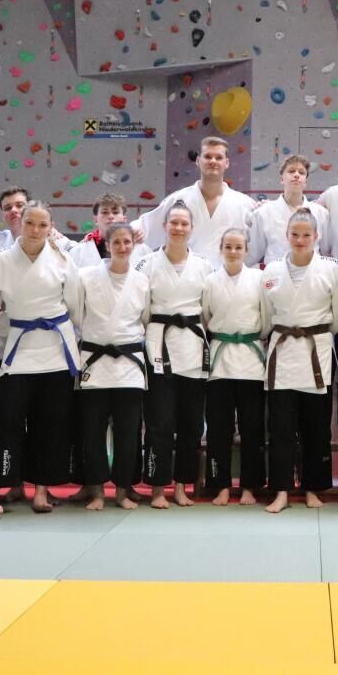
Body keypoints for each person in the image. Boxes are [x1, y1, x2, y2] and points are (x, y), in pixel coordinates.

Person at [0, 201, 82, 518]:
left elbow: (75, 308)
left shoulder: (63, 260)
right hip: (15, 350)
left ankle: (40, 489)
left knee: (48, 423)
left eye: (42, 224)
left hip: (55, 352)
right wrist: (10, 327)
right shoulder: (0, 261)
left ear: (51, 227)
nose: (36, 230)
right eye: (30, 223)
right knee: (7, 423)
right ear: (20, 223)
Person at [261, 208, 338, 513]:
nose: (300, 240)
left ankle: (313, 488)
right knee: (281, 428)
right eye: (295, 234)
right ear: (286, 236)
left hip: (316, 349)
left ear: (317, 236)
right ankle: (281, 490)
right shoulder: (271, 271)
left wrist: (318, 332)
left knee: (316, 427)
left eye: (306, 234)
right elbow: (266, 316)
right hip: (282, 351)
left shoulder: (331, 270)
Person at [137, 201, 215, 508]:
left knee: (190, 424)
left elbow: (208, 312)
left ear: (192, 228)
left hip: (193, 350)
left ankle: (182, 485)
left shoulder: (205, 267)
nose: (179, 228)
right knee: (159, 422)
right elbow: (142, 310)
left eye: (184, 223)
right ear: (164, 226)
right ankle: (158, 487)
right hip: (158, 347)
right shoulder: (146, 265)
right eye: (174, 223)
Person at [74, 222, 151, 511]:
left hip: (128, 365)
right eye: (116, 242)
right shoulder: (86, 276)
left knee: (128, 433)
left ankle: (122, 490)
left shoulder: (142, 281)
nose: (122, 247)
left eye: (127, 242)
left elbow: (146, 319)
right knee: (92, 431)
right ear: (106, 245)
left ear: (134, 245)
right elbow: (77, 315)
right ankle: (96, 491)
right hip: (94, 363)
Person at [202, 227, 269, 505]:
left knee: (253, 428)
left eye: (238, 247)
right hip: (221, 358)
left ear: (247, 251)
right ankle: (220, 485)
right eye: (228, 247)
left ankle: (250, 487)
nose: (233, 252)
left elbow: (267, 318)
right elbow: (205, 318)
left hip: (251, 359)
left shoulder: (259, 279)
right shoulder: (210, 281)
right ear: (220, 249)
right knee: (219, 428)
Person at [134, 136, 256, 264]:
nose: (213, 161)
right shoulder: (178, 200)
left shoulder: (244, 204)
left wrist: (264, 209)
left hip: (227, 275)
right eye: (207, 156)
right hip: (187, 273)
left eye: (219, 157)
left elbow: (261, 238)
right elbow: (145, 227)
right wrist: (131, 231)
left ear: (227, 163)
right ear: (198, 161)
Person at [246, 155, 329, 266]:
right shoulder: (263, 213)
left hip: (312, 273)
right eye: (291, 171)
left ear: (305, 181)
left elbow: (327, 252)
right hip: (276, 273)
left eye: (301, 173)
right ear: (282, 179)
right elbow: (252, 256)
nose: (296, 175)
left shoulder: (321, 214)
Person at [71, 192, 147, 270]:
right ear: (96, 220)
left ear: (124, 219)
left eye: (115, 212)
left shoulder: (142, 250)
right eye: (105, 212)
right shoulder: (78, 252)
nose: (110, 216)